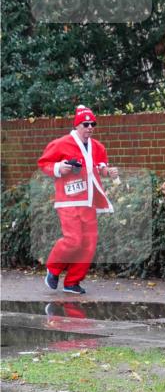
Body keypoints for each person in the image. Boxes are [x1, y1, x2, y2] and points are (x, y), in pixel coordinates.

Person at [38, 105, 117, 295]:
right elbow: (44, 164)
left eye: (93, 124)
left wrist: (108, 172)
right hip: (68, 201)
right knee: (73, 240)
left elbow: (100, 167)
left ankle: (72, 282)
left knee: (89, 243)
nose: (90, 127)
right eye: (86, 124)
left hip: (89, 202)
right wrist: (59, 168)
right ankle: (53, 269)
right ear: (77, 125)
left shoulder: (98, 147)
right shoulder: (61, 143)